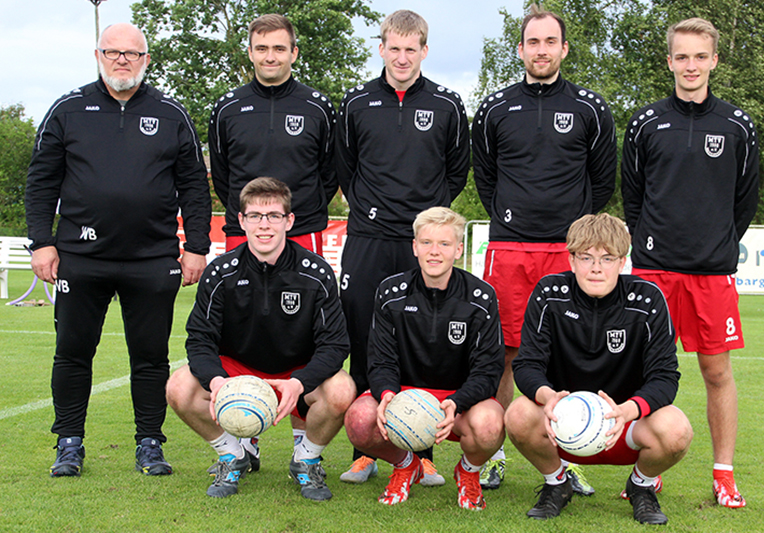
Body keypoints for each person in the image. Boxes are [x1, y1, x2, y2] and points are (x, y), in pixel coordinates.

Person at [25, 23, 211, 478]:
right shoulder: (68, 109)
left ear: (146, 60)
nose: (122, 60)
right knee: (72, 352)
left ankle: (150, 443)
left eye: (132, 53)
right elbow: (41, 181)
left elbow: (194, 186)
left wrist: (197, 247)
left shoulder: (171, 113)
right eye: (113, 52)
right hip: (80, 256)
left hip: (152, 258)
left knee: (150, 356)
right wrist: (42, 242)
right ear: (98, 55)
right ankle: (69, 442)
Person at [471, 4, 616, 491]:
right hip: (510, 248)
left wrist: (574, 230)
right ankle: (491, 456)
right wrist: (513, 217)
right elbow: (485, 177)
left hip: (567, 251)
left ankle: (569, 455)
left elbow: (602, 180)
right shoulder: (494, 107)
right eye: (533, 42)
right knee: (502, 353)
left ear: (564, 49)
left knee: (568, 355)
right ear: (520, 49)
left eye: (550, 42)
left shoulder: (590, 107)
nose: (541, 50)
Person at [621, 17, 759, 509]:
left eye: (700, 56)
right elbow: (633, 197)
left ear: (714, 60)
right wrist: (651, 244)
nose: (691, 65)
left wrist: (715, 245)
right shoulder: (645, 122)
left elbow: (745, 201)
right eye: (682, 56)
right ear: (670, 61)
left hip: (711, 273)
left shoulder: (737, 125)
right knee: (642, 373)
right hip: (654, 270)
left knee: (717, 372)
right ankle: (646, 470)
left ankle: (724, 473)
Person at [335, 9, 470, 485]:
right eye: (394, 48)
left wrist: (426, 217)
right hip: (369, 239)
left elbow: (457, 170)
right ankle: (365, 451)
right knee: (362, 340)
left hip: (422, 242)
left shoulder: (448, 104)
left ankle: (422, 450)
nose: (402, 57)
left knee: (423, 344)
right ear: (382, 48)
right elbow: (344, 167)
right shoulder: (356, 102)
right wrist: (371, 208)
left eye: (411, 49)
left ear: (424, 51)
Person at [166, 177, 354, 501]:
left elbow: (335, 344)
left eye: (273, 216)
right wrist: (216, 381)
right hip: (237, 372)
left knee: (342, 390)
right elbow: (199, 339)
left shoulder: (316, 272)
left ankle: (306, 460)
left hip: (295, 374)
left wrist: (300, 382)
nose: (264, 225)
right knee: (179, 387)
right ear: (241, 220)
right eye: (255, 215)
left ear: (289, 221)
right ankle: (232, 455)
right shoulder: (221, 272)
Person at [505, 213, 693, 525]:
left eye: (607, 258)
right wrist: (549, 397)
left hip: (626, 424)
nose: (596, 267)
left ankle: (641, 486)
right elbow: (527, 364)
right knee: (518, 414)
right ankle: (557, 483)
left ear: (622, 262)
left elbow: (665, 377)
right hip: (561, 424)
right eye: (586, 257)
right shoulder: (550, 293)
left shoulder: (647, 299)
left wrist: (629, 410)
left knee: (677, 429)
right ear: (571, 259)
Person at [344, 207, 505, 510]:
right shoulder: (390, 292)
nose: (434, 251)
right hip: (403, 394)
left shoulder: (481, 297)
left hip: (456, 400)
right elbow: (380, 358)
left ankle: (468, 471)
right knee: (359, 420)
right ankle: (407, 465)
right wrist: (387, 393)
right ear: (415, 246)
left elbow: (488, 369)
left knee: (490, 425)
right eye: (427, 242)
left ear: (458, 249)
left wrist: (458, 401)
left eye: (444, 244)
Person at [209, 14, 337, 254]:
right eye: (262, 49)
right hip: (244, 230)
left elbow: (330, 173)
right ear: (250, 53)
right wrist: (253, 214)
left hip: (302, 228)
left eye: (279, 49)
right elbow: (221, 175)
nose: (270, 57)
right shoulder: (227, 108)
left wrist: (301, 208)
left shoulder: (318, 107)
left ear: (294, 53)